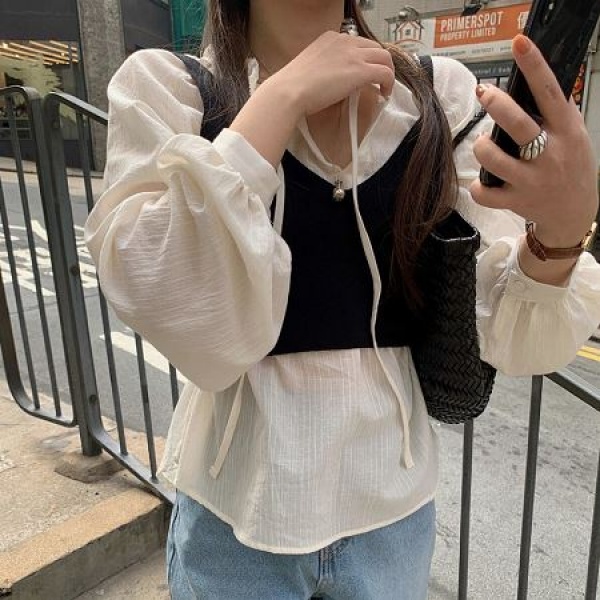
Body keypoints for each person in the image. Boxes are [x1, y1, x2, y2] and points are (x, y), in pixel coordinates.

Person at [84, 1, 600, 598]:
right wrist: (282, 99)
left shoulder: (440, 99)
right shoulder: (170, 90)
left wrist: (562, 234)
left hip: (392, 518)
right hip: (237, 518)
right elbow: (166, 292)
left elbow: (503, 329)